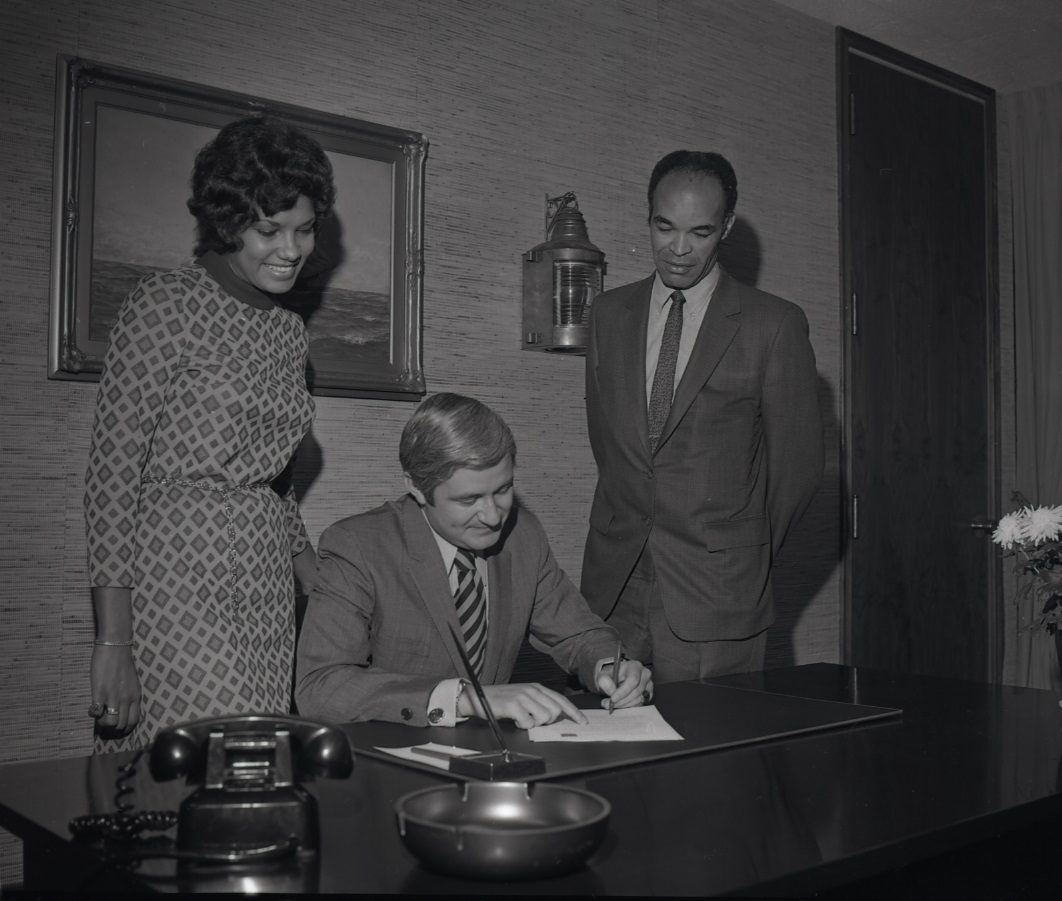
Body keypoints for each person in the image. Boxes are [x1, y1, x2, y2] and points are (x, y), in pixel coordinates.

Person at [84, 115, 336, 750]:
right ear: (228, 223)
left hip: (264, 580)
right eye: (268, 229)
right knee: (201, 762)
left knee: (257, 766)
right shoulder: (162, 304)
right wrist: (113, 641)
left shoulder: (288, 332)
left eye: (304, 230)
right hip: (176, 575)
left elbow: (274, 482)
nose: (291, 250)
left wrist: (318, 582)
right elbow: (111, 480)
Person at [581, 150, 823, 683]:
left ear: (727, 228)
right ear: (648, 216)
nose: (679, 249)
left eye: (701, 231)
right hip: (613, 588)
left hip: (718, 598)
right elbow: (612, 447)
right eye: (664, 227)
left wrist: (739, 552)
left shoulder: (774, 325)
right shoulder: (608, 315)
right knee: (607, 755)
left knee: (708, 757)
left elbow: (797, 470)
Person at [296, 393, 652, 728]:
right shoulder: (358, 546)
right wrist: (465, 699)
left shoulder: (522, 534)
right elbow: (321, 687)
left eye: (503, 490)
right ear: (417, 488)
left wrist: (611, 666)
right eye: (468, 500)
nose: (493, 516)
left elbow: (579, 635)